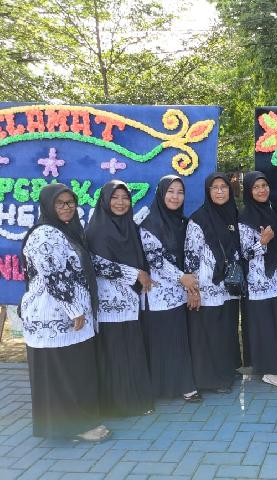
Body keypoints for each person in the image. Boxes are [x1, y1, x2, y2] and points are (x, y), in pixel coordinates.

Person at [20, 183, 110, 441]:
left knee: (73, 371)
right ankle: (73, 428)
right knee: (64, 373)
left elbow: (86, 265)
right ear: (48, 206)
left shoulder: (67, 232)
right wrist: (74, 310)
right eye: (60, 203)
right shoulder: (44, 234)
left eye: (70, 202)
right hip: (54, 316)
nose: (67, 207)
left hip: (71, 316)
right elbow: (53, 276)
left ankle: (76, 424)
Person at [86, 180, 154, 417]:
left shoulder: (130, 227)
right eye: (115, 197)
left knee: (130, 351)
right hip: (108, 304)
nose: (120, 202)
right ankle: (114, 406)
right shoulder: (96, 229)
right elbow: (95, 264)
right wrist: (134, 273)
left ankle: (134, 402)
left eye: (125, 198)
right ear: (105, 201)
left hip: (130, 302)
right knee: (113, 353)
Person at [139, 175, 201, 402]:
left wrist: (190, 287)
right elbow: (156, 260)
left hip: (180, 293)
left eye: (180, 192)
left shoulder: (183, 223)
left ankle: (183, 385)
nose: (175, 197)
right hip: (157, 295)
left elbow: (190, 256)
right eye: (170, 191)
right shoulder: (148, 223)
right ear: (161, 194)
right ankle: (161, 389)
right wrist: (181, 278)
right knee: (162, 343)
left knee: (178, 341)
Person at [185, 173, 241, 394]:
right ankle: (211, 380)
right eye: (214, 187)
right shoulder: (198, 219)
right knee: (210, 334)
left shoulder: (233, 215)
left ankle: (226, 372)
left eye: (224, 187)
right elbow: (190, 257)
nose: (220, 191)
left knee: (226, 331)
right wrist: (193, 290)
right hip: (207, 287)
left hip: (229, 286)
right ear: (208, 192)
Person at [239, 171, 277, 387]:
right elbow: (244, 253)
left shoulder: (270, 211)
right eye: (256, 187)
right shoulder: (244, 217)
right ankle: (269, 371)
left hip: (276, 280)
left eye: (264, 185)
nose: (261, 190)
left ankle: (276, 366)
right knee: (264, 327)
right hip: (258, 283)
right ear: (248, 191)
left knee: (275, 324)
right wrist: (263, 242)